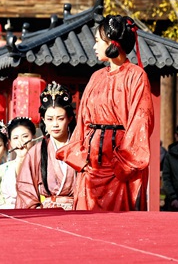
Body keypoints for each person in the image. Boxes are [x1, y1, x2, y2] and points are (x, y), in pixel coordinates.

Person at [57, 15, 154, 211]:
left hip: (120, 164)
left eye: (97, 41)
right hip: (91, 162)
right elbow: (83, 121)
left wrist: (123, 164)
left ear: (112, 43)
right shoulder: (95, 77)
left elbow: (140, 122)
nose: (94, 46)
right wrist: (82, 157)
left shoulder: (137, 76)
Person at [16, 84, 77, 209]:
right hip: (47, 213)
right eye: (50, 119)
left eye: (60, 119)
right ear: (43, 120)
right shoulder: (36, 152)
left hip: (78, 209)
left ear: (69, 118)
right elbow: (25, 189)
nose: (55, 124)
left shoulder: (80, 148)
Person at [0, 117, 37, 209]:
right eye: (15, 138)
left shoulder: (45, 165)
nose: (20, 142)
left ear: (34, 138)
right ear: (10, 142)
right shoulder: (0, 172)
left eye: (25, 136)